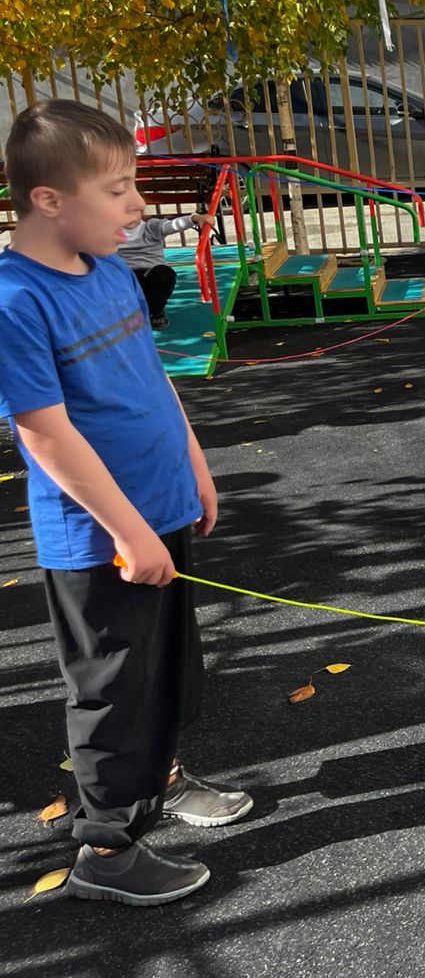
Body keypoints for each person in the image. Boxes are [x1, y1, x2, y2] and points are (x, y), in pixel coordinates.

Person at [0, 101, 251, 907]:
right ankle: (106, 847)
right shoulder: (15, 300)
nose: (139, 204)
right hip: (100, 537)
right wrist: (128, 529)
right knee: (112, 686)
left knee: (164, 670)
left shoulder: (107, 268)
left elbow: (153, 378)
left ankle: (161, 779)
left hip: (160, 511)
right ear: (48, 200)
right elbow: (46, 435)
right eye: (117, 189)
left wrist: (196, 469)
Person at [115, 208, 217, 330]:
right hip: (127, 276)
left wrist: (196, 218)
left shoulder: (150, 227)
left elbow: (173, 225)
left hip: (151, 273)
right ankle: (125, 313)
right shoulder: (110, 233)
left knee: (164, 273)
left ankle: (156, 313)